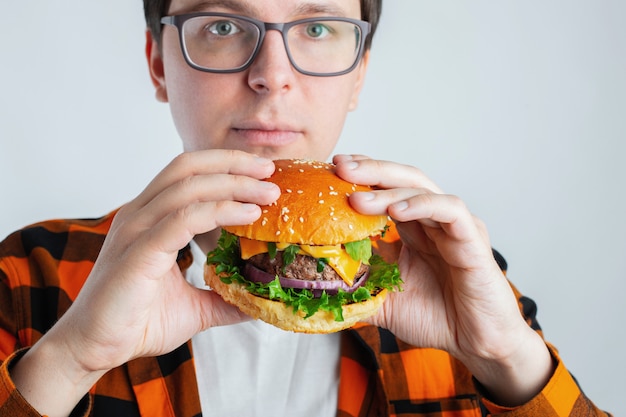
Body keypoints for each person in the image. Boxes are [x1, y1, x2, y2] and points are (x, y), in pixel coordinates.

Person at [0, 0, 610, 416]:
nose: (272, 74)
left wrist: (508, 360)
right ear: (159, 62)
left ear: (360, 73)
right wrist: (71, 358)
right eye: (221, 25)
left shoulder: (456, 278)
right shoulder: (32, 275)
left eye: (316, 28)